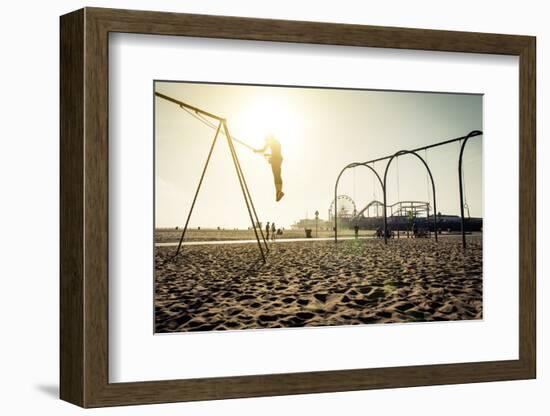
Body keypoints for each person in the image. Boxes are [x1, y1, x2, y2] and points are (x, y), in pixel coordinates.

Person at [255, 134, 284, 202]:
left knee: (276, 175)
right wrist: (270, 156)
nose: (266, 142)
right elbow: (277, 152)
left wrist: (256, 151)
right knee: (278, 175)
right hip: (279, 159)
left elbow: (263, 150)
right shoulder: (277, 142)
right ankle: (279, 191)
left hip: (276, 159)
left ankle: (278, 192)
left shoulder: (270, 142)